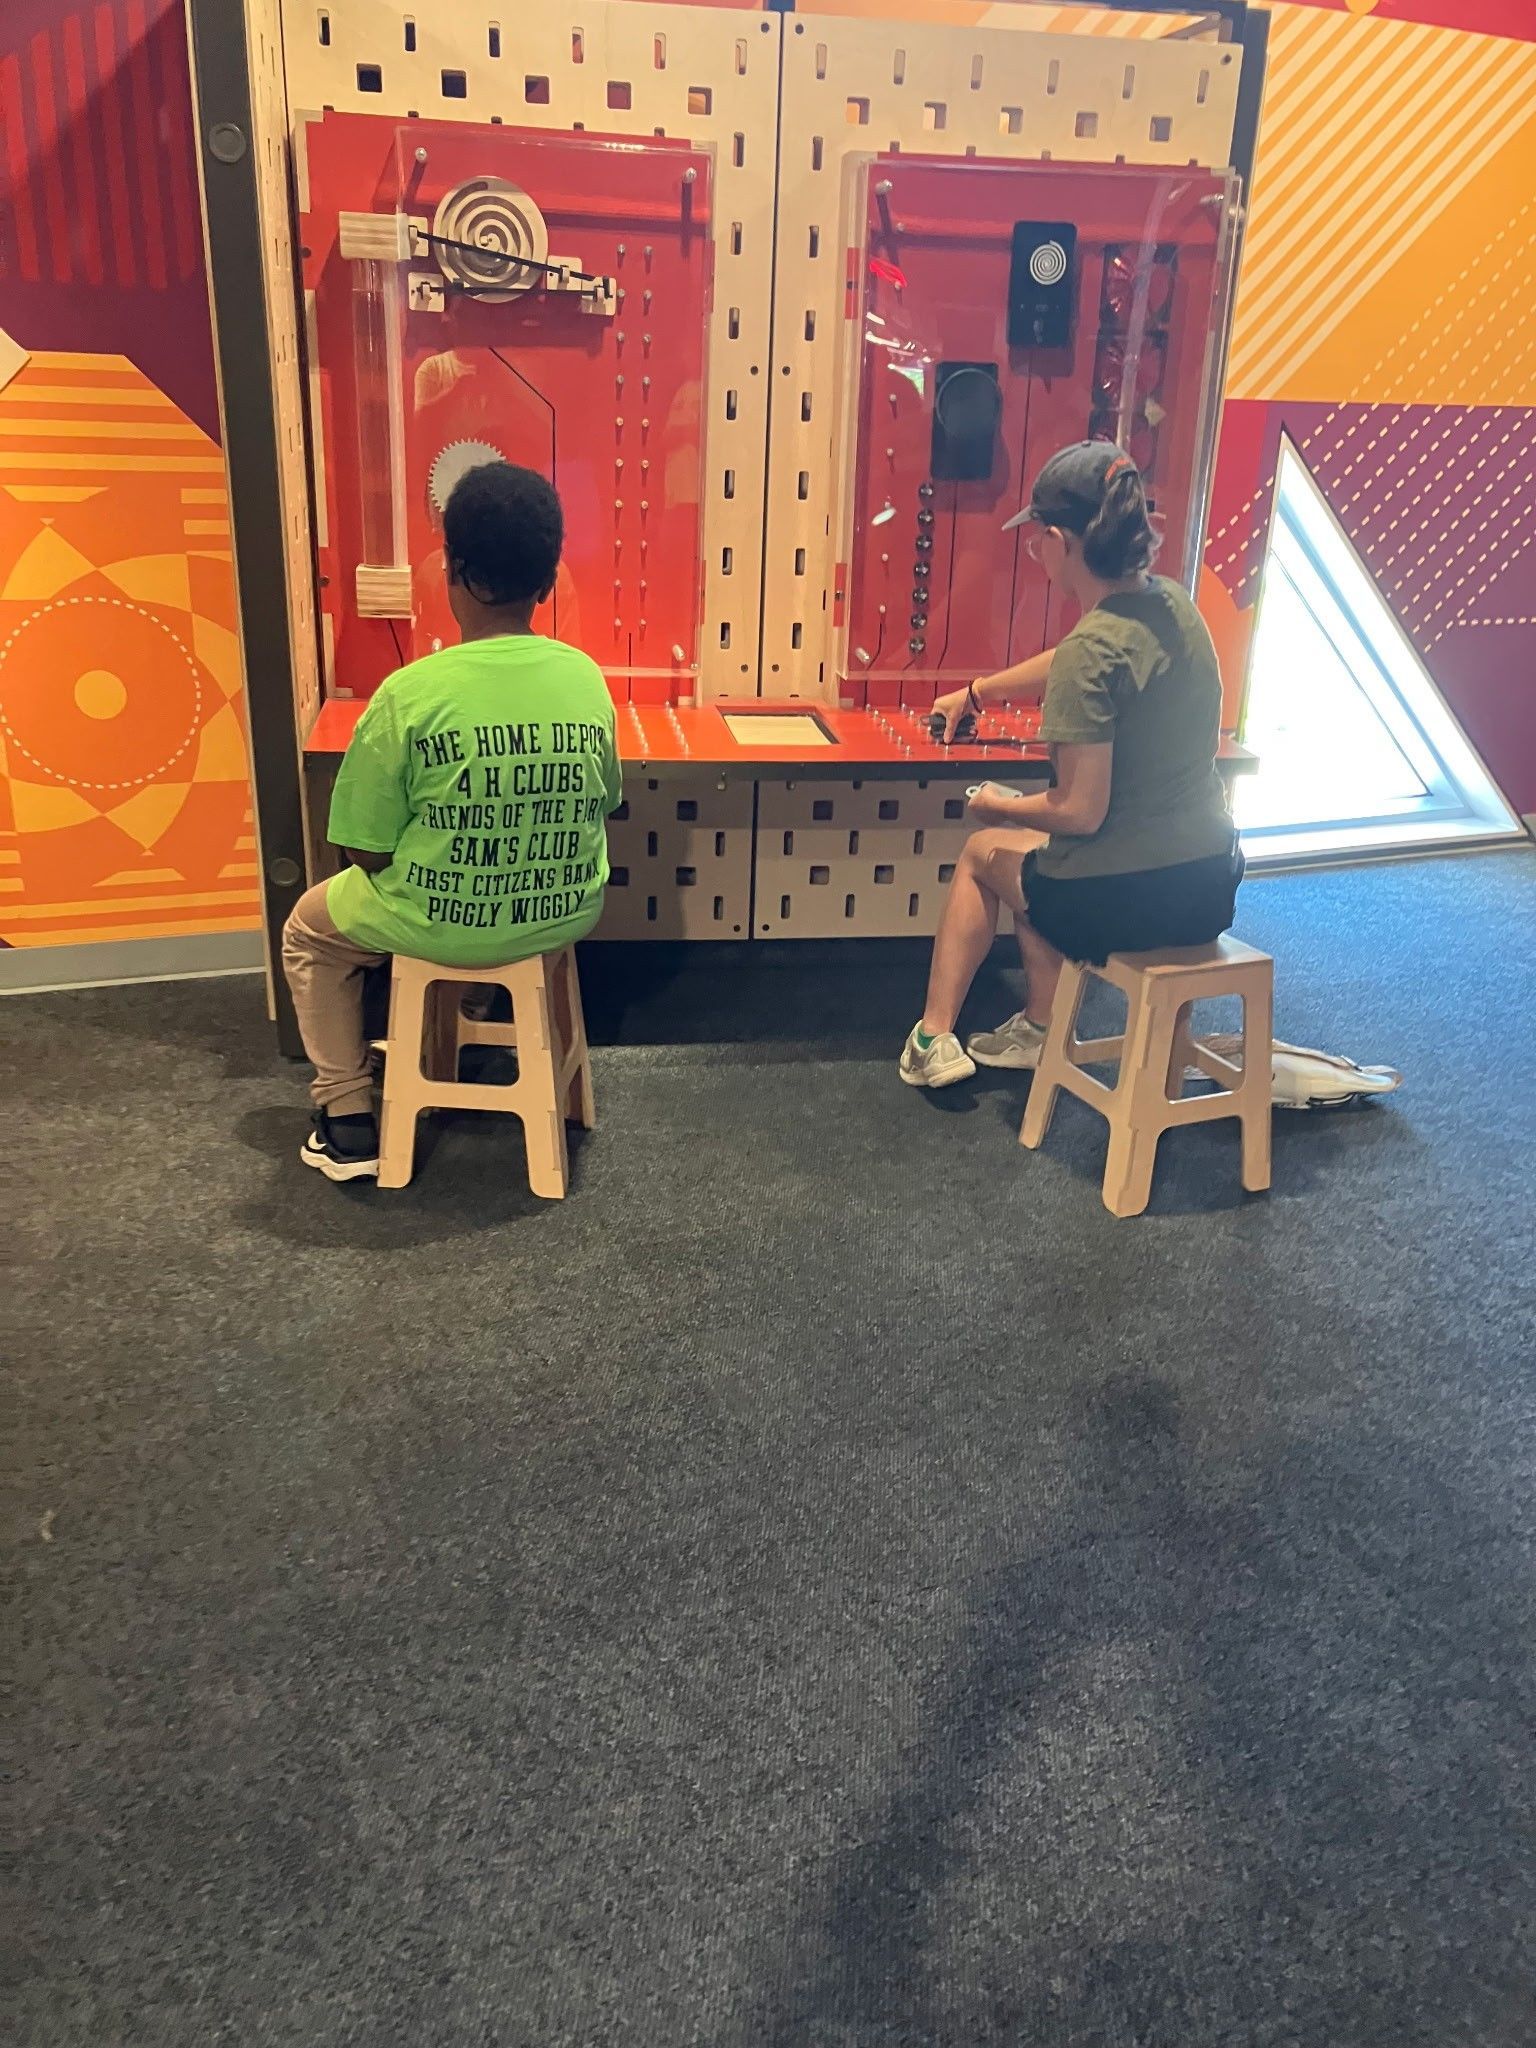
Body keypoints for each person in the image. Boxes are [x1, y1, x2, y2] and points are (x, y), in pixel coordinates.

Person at [282, 461, 623, 1180]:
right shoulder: (586, 678)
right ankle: (462, 1016)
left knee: (309, 932)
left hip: (447, 918)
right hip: (561, 914)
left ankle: (345, 1120)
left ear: (452, 573)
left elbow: (361, 850)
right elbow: (602, 802)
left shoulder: (409, 694)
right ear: (548, 578)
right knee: (485, 879)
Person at [900, 439, 1243, 1088]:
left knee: (987, 852)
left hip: (1130, 900)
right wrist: (980, 691)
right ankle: (1036, 1026)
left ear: (1058, 541)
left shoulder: (1093, 646)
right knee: (1038, 860)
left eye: (1036, 540)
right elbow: (1083, 658)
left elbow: (1079, 813)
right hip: (1208, 888)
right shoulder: (1174, 604)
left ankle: (931, 1036)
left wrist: (990, 800)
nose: (1035, 553)